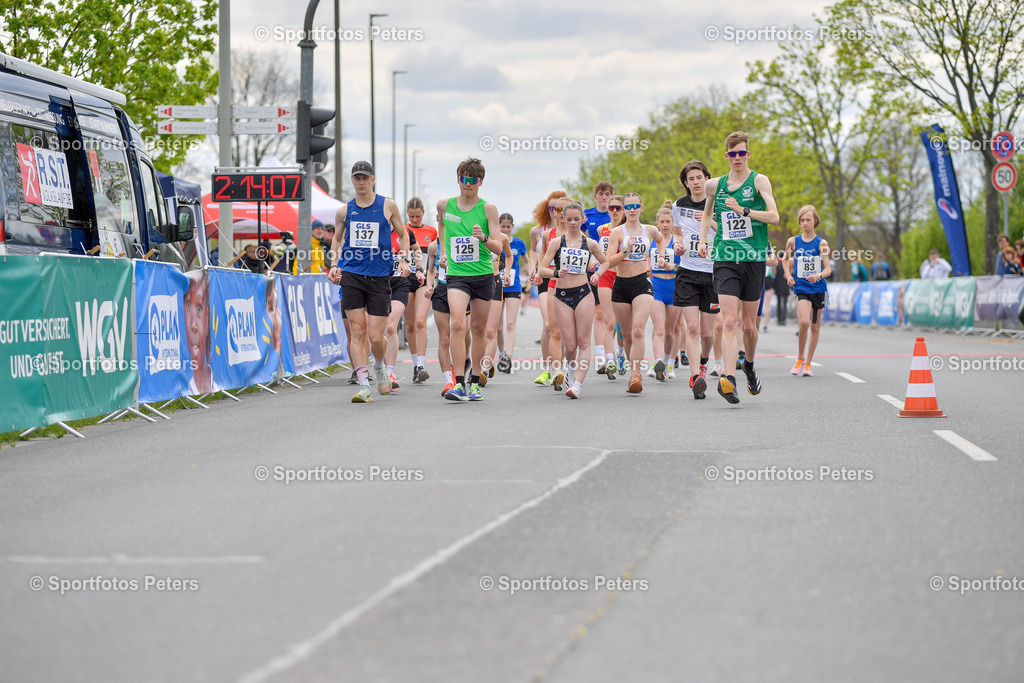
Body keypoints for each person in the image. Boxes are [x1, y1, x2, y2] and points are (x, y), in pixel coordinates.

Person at [698, 130, 781, 404]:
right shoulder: (714, 185)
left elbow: (774, 217)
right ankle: (729, 380)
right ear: (726, 156)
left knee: (748, 327)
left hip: (754, 259)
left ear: (748, 154)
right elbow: (708, 212)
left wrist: (743, 211)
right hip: (725, 258)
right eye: (732, 154)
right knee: (729, 321)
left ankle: (750, 364)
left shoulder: (759, 180)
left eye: (742, 153)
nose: (737, 158)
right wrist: (701, 240)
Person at [328, 161, 410, 403]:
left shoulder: (388, 205)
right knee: (357, 331)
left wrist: (404, 260)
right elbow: (336, 240)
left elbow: (404, 235)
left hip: (380, 276)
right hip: (352, 275)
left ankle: (380, 365)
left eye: (365, 178)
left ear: (373, 179)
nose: (361, 182)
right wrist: (334, 265)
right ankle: (364, 384)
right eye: (357, 178)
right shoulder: (345, 211)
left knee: (376, 337)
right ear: (352, 181)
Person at [437, 157, 502, 402]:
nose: (468, 184)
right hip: (457, 275)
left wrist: (483, 237)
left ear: (480, 182)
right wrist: (443, 251)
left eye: (473, 180)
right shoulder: (444, 205)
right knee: (456, 324)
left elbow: (498, 248)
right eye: (464, 179)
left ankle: (475, 381)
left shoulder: (488, 209)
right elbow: (441, 227)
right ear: (458, 179)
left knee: (477, 328)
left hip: (483, 274)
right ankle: (458, 382)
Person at [538, 201, 608, 398]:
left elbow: (606, 261)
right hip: (561, 295)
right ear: (564, 219)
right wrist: (556, 273)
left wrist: (597, 275)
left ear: (582, 219)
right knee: (570, 346)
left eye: (577, 219)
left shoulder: (590, 243)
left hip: (583, 293)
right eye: (569, 219)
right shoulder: (556, 242)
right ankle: (570, 372)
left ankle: (577, 384)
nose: (573, 222)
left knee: (583, 342)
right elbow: (542, 269)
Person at [607, 192, 670, 393]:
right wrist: (625, 250)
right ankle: (633, 368)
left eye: (636, 206)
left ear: (641, 208)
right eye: (628, 207)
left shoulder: (650, 230)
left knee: (638, 330)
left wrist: (660, 257)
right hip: (621, 284)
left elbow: (661, 240)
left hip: (642, 283)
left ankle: (635, 375)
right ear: (624, 209)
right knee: (626, 335)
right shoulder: (617, 232)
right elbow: (608, 262)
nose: (632, 210)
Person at [673, 160, 719, 399]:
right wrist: (678, 247)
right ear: (685, 183)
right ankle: (695, 375)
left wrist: (708, 218)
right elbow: (677, 234)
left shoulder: (718, 202)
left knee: (707, 334)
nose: (696, 182)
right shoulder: (679, 205)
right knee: (691, 327)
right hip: (688, 271)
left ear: (707, 179)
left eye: (699, 177)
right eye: (691, 179)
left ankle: (703, 362)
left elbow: (726, 233)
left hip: (713, 272)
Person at [783, 205, 831, 377]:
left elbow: (828, 270)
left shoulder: (821, 243)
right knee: (803, 322)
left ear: (815, 221)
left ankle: (809, 364)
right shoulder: (793, 241)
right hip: (801, 288)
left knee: (815, 327)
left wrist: (818, 275)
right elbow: (784, 259)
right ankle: (800, 358)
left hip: (818, 288)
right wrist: (788, 275)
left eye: (808, 220)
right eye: (802, 220)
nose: (805, 223)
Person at [528, 190, 567, 385]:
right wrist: (533, 269)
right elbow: (534, 252)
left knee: (562, 328)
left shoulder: (574, 228)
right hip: (546, 277)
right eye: (553, 208)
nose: (557, 212)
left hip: (567, 279)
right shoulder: (539, 231)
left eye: (561, 208)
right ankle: (546, 368)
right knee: (548, 325)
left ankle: (562, 368)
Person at [383, 228, 423, 391]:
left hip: (400, 283)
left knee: (391, 325)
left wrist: (418, 268)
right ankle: (382, 369)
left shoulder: (405, 232)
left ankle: (390, 373)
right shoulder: (377, 228)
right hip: (378, 283)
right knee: (377, 331)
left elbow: (417, 249)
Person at [403, 197, 437, 383]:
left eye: (418, 216)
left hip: (424, 279)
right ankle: (415, 364)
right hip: (406, 279)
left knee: (420, 321)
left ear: (423, 214)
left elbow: (436, 253)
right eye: (411, 216)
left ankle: (422, 365)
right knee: (409, 324)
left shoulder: (431, 231)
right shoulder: (404, 231)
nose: (415, 220)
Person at [648, 205, 681, 381]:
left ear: (673, 223)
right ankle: (658, 362)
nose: (665, 224)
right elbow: (645, 259)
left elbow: (688, 266)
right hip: (657, 286)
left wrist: (673, 266)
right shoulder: (652, 239)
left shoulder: (678, 241)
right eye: (662, 221)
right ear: (657, 223)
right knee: (659, 329)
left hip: (675, 287)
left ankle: (669, 362)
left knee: (671, 330)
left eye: (669, 221)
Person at [585, 181, 614, 373]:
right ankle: (602, 356)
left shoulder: (617, 213)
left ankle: (616, 353)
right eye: (601, 194)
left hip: (615, 269)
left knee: (614, 317)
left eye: (608, 194)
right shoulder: (587, 215)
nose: (604, 198)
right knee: (599, 313)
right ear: (595, 196)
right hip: (593, 269)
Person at [596, 195, 625, 379]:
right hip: (605, 277)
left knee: (621, 326)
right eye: (611, 208)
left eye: (618, 208)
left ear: (624, 210)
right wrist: (594, 263)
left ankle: (620, 353)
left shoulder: (627, 230)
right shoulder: (601, 229)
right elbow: (597, 250)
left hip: (622, 276)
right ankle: (609, 359)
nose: (614, 211)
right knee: (609, 321)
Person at [496, 213, 528, 374]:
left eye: (508, 227)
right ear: (498, 226)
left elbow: (527, 261)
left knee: (510, 324)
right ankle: (501, 354)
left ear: (512, 227)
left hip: (513, 287)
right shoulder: (495, 242)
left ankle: (508, 356)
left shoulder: (519, 243)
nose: (506, 229)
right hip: (497, 286)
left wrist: (531, 276)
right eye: (503, 226)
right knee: (498, 327)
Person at [425, 236, 455, 395]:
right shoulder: (433, 246)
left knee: (462, 335)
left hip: (461, 288)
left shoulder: (461, 237)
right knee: (444, 338)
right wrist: (429, 286)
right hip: (442, 290)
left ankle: (462, 367)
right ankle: (449, 380)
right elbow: (430, 271)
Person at [184, 269, 216, 395]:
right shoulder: (181, 385)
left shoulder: (218, 380)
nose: (194, 325)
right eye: (187, 305)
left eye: (199, 308)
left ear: (207, 317)